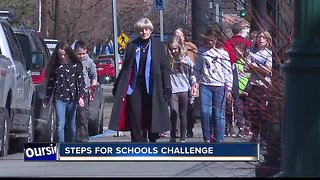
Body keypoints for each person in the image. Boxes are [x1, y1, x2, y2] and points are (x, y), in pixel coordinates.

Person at [109, 17, 172, 142]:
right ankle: (138, 143)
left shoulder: (158, 46)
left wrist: (167, 87)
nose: (144, 32)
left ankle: (152, 139)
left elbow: (164, 68)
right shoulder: (132, 45)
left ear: (151, 30)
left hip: (152, 86)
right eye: (141, 30)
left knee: (151, 114)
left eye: (147, 29)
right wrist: (117, 86)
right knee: (135, 115)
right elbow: (126, 68)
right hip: (135, 87)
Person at [193, 25, 233, 142]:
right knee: (205, 112)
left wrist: (229, 88)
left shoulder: (223, 53)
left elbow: (228, 71)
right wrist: (194, 82)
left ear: (217, 39)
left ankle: (219, 138)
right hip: (205, 85)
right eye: (209, 39)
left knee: (218, 113)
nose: (211, 42)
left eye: (213, 39)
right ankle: (207, 138)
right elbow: (197, 68)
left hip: (219, 86)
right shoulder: (202, 51)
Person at [43, 41, 86, 143]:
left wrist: (81, 96)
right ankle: (62, 146)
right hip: (59, 98)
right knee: (60, 124)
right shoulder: (55, 66)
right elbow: (50, 83)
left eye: (64, 55)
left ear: (68, 53)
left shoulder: (75, 65)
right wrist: (47, 98)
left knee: (71, 126)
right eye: (60, 55)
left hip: (72, 98)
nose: (62, 57)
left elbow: (80, 82)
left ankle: (70, 146)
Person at [223, 22, 252, 137]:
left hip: (236, 82)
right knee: (243, 107)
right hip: (241, 84)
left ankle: (235, 126)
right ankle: (242, 127)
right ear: (242, 30)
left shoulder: (227, 43)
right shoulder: (247, 43)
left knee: (234, 107)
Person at [167, 37, 196, 143]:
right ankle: (173, 135)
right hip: (173, 89)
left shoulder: (186, 60)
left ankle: (183, 137)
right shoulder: (168, 60)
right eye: (171, 49)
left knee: (183, 113)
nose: (173, 51)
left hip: (184, 89)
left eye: (175, 49)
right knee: (174, 112)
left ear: (179, 48)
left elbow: (192, 74)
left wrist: (193, 85)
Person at [173, 27, 199, 138]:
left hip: (190, 82)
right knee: (176, 110)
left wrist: (196, 83)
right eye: (175, 35)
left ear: (184, 36)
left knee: (190, 110)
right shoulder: (170, 49)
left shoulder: (191, 48)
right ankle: (177, 131)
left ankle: (189, 128)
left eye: (180, 35)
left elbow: (197, 64)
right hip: (176, 85)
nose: (178, 37)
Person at [74, 40, 98, 142]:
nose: (82, 56)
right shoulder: (71, 60)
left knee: (83, 116)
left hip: (85, 92)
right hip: (72, 92)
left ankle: (83, 139)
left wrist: (92, 89)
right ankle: (71, 138)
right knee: (72, 116)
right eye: (79, 54)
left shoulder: (89, 62)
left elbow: (94, 76)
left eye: (83, 53)